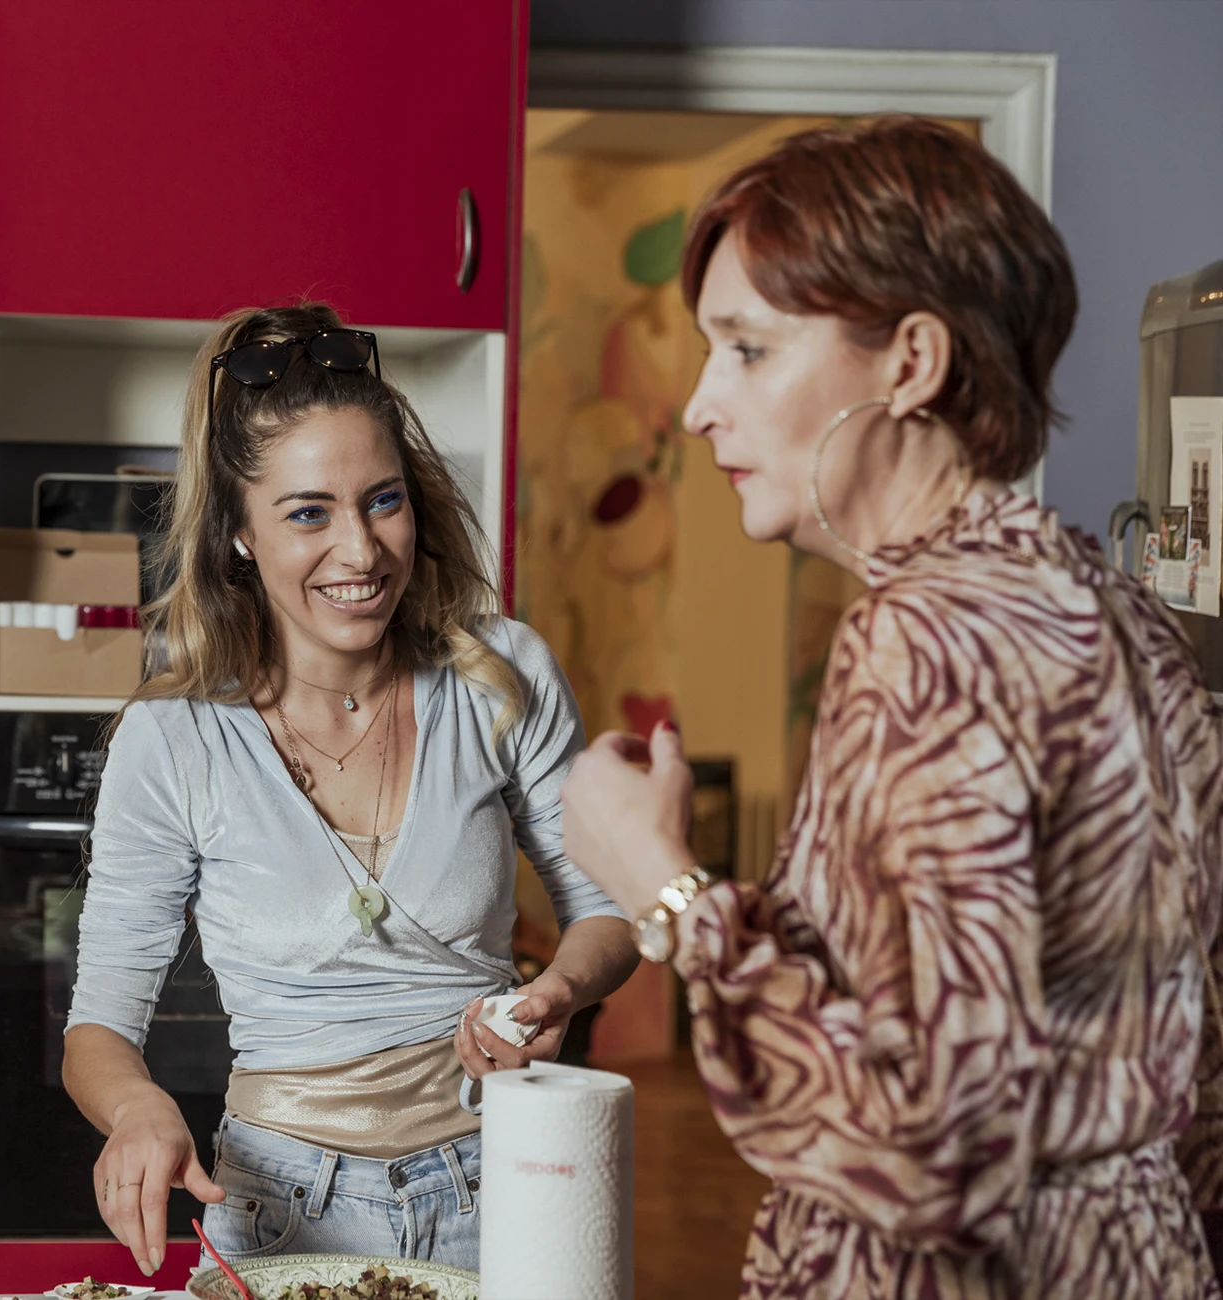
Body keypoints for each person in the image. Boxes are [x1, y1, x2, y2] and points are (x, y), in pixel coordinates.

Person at [560, 117, 1223, 1298]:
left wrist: (664, 887)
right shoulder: (1117, 611)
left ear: (911, 363)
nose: (701, 405)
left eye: (749, 350)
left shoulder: (924, 641)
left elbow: (934, 1151)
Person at [62, 303, 636, 1278]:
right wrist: (139, 1107)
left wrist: (558, 992)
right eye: (307, 513)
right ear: (239, 533)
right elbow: (101, 1023)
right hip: (280, 1205)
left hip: (502, 1176)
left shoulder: (501, 674)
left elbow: (607, 910)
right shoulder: (174, 738)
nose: (362, 551)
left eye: (383, 499)